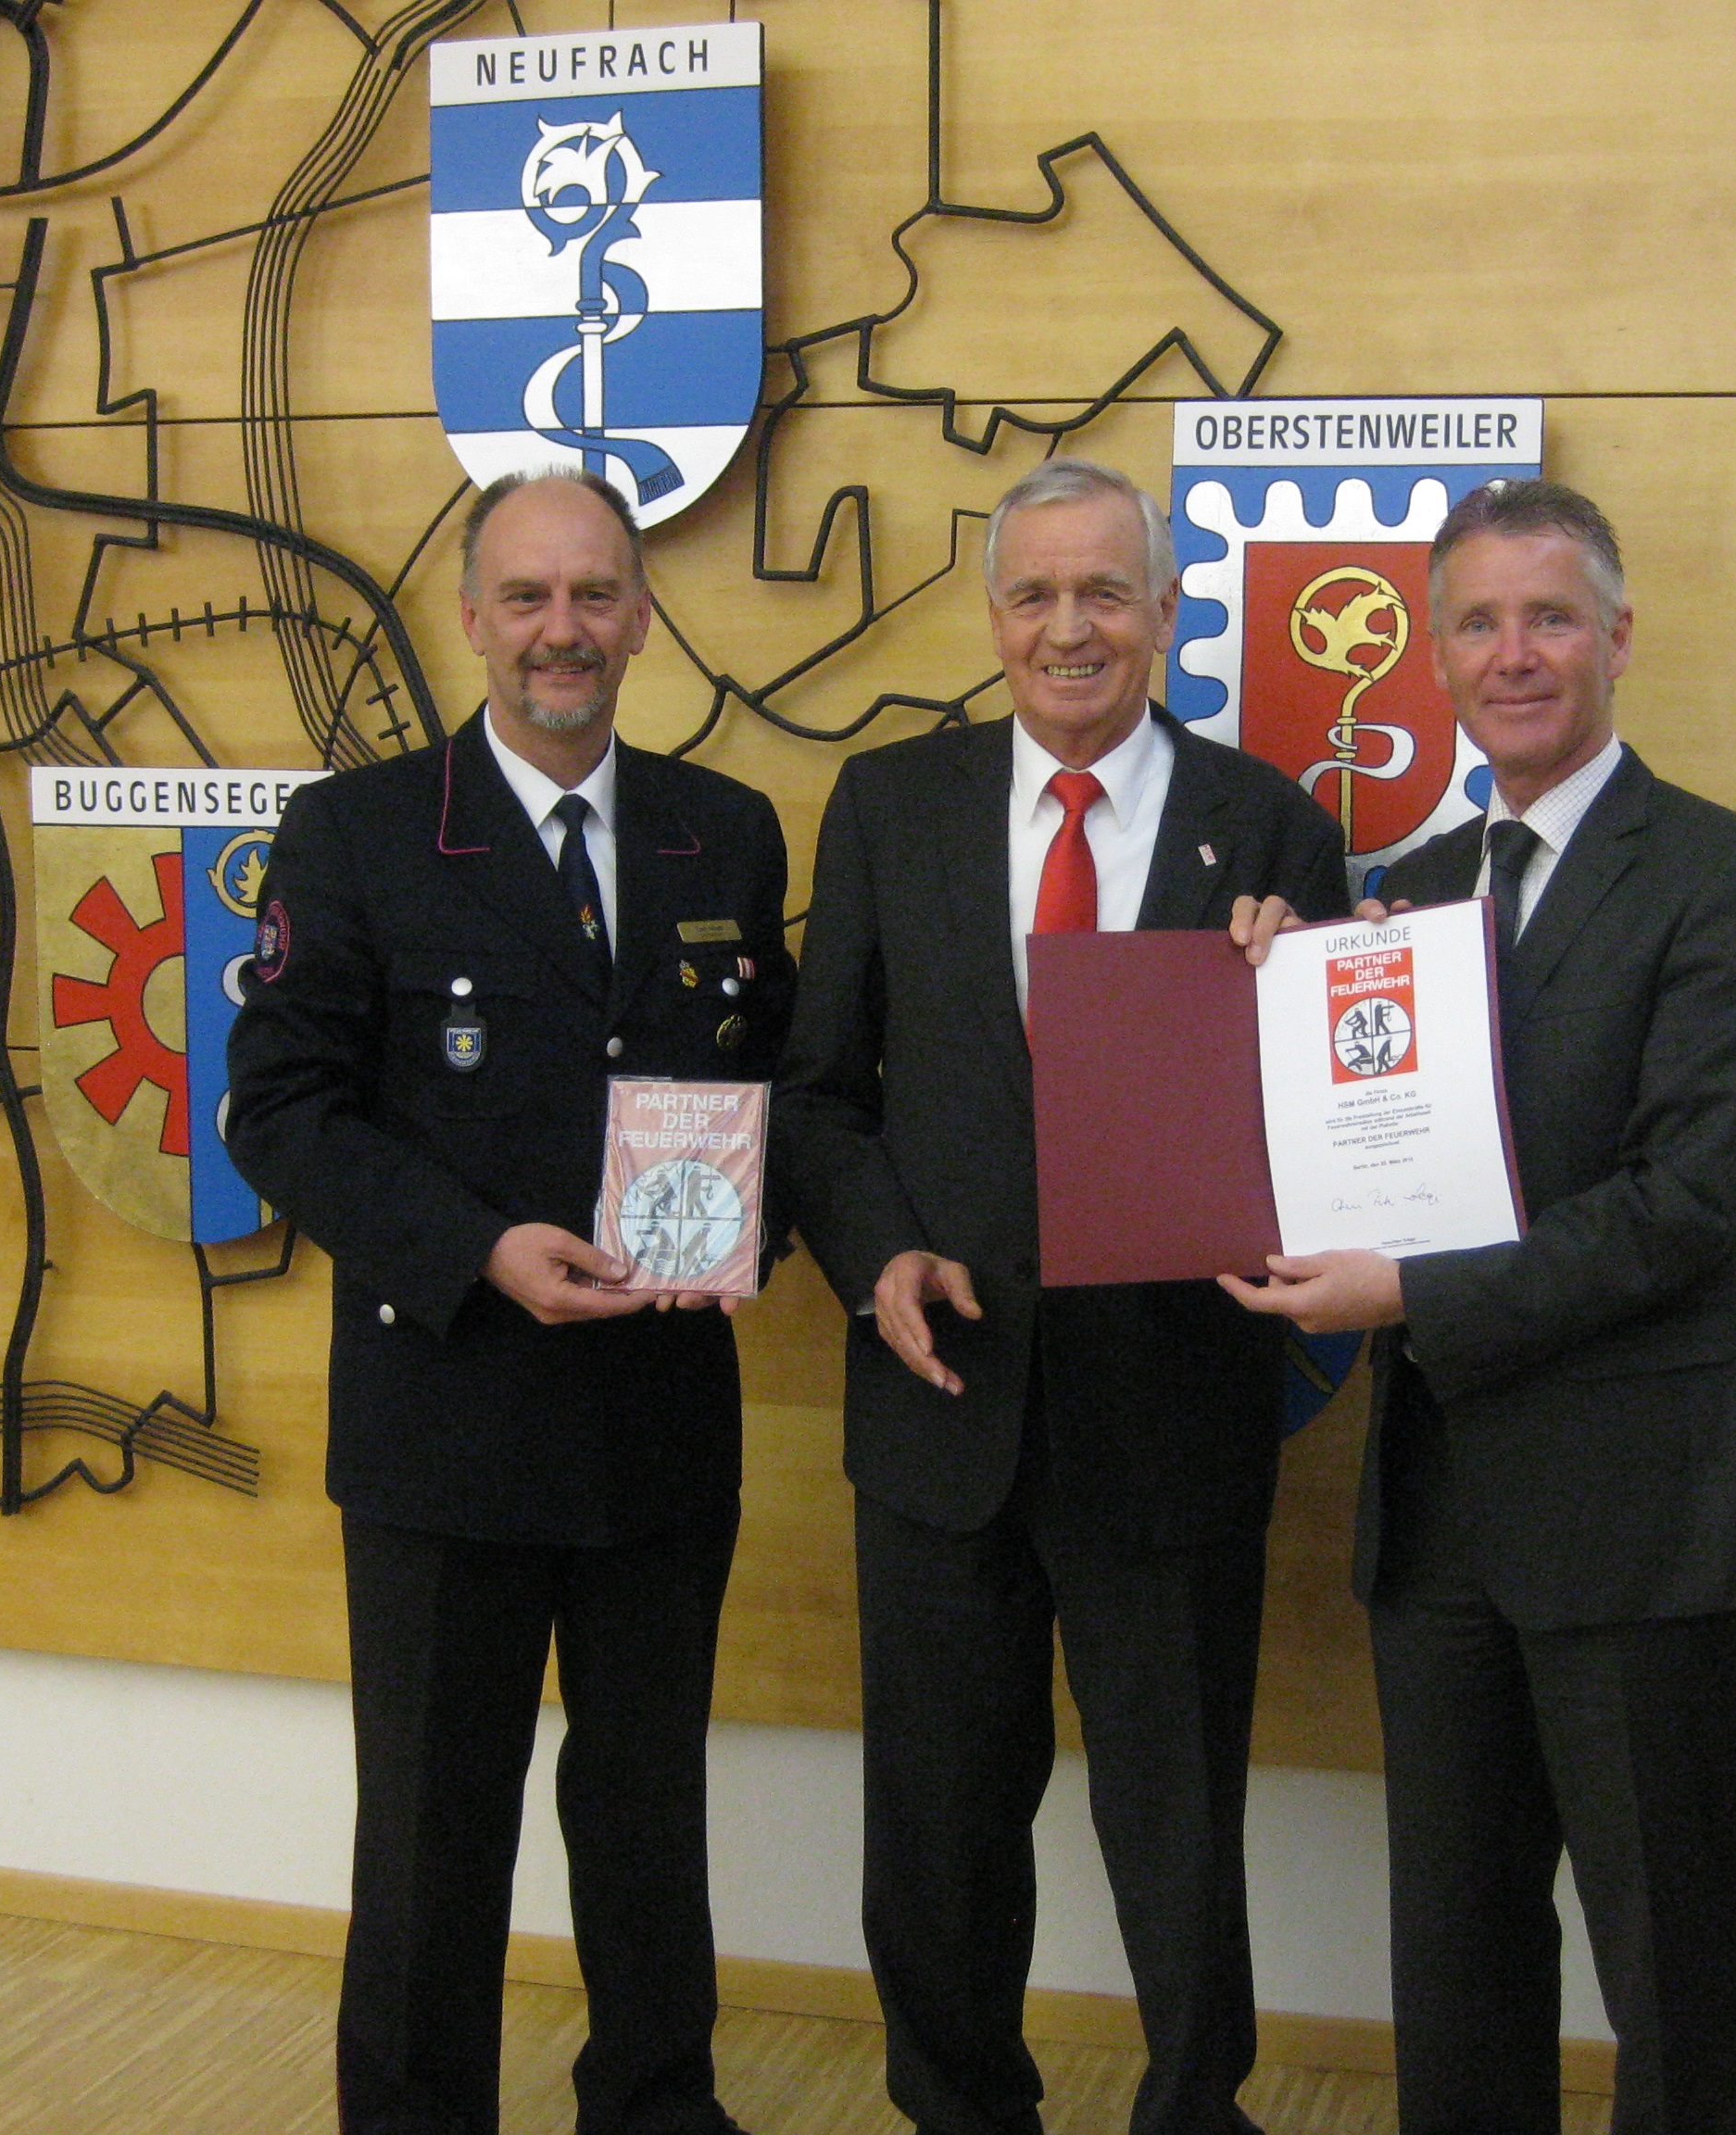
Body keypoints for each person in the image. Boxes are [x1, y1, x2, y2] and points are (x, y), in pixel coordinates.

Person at [1221, 477, 1736, 2134]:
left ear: (1617, 637)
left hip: (1641, 1524)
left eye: (1549, 617)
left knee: (1670, 1973)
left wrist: (1406, 1286)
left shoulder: (1729, 877)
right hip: (1441, 1530)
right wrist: (1258, 999)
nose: (1513, 653)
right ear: (1432, 658)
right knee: (1458, 1962)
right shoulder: (1397, 895)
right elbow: (1323, 1155)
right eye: (1476, 622)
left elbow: (1684, 1205)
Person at [774, 458, 1349, 2135]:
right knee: (938, 1829)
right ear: (992, 617)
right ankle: (959, 2111)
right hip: (940, 1398)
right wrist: (877, 1254)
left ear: (1165, 610)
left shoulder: (1274, 823)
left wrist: (1290, 992)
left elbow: (1333, 1123)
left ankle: (1194, 2110)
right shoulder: (889, 803)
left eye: (1104, 590)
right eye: (1033, 593)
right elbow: (819, 1096)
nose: (1068, 626)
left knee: (1178, 1823)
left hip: (1169, 1414)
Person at [226, 470, 795, 2135]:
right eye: (529, 596)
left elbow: (779, 1090)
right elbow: (279, 1109)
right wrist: (477, 1246)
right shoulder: (357, 831)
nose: (564, 628)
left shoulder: (722, 829)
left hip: (659, 1421)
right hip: (445, 1418)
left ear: (642, 616)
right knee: (431, 1829)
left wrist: (751, 1228)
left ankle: (658, 2106)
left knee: (647, 1818)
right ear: (472, 616)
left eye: (595, 593)